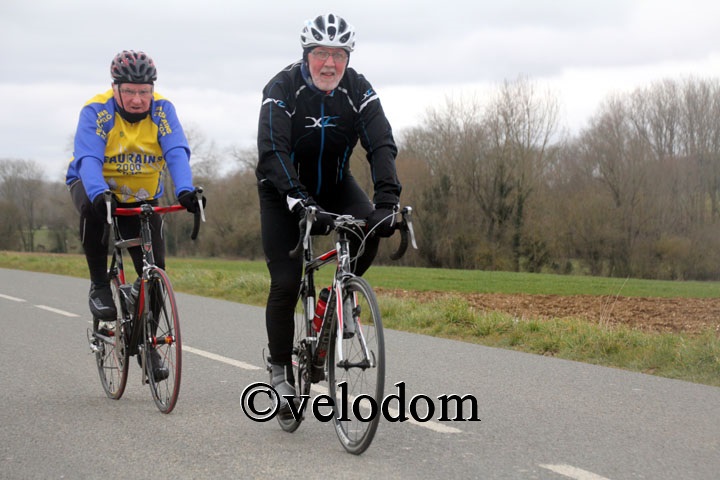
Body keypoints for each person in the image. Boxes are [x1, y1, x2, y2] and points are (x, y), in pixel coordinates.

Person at [256, 13, 402, 416]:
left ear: (347, 58)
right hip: (282, 191)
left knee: (370, 228)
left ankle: (336, 297)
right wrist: (298, 199)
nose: (329, 63)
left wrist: (388, 201)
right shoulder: (282, 88)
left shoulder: (357, 89)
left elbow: (381, 144)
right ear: (307, 54)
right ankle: (280, 370)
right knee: (286, 282)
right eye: (321, 53)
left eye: (338, 55)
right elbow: (272, 150)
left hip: (335, 183)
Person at [66, 50, 205, 381]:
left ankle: (147, 344)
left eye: (144, 91)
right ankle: (100, 284)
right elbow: (88, 157)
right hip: (95, 187)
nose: (138, 99)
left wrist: (185, 190)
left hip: (141, 196)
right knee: (91, 210)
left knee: (155, 273)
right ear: (115, 87)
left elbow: (176, 151)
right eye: (129, 91)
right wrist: (98, 193)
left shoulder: (163, 110)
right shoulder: (97, 111)